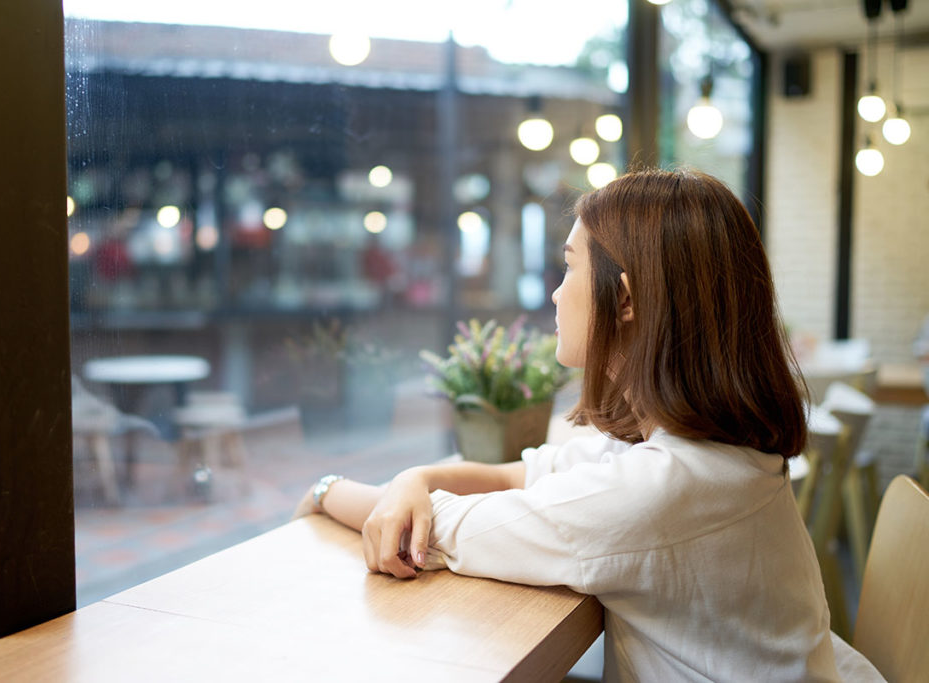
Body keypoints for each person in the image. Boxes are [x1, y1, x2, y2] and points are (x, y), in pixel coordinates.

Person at [294, 169, 883, 681]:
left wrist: (323, 493)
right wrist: (413, 478)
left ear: (624, 300)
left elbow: (435, 532)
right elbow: (510, 478)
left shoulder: (664, 487)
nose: (555, 293)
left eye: (570, 267)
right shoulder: (696, 452)